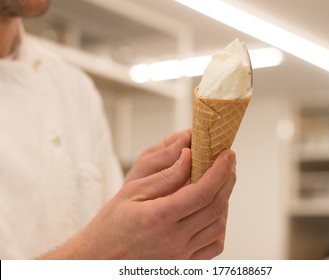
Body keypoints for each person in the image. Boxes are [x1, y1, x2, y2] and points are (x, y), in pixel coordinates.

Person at [0, 0, 237, 259]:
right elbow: (100, 251)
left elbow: (93, 232)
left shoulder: (74, 88)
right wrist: (100, 254)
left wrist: (133, 205)